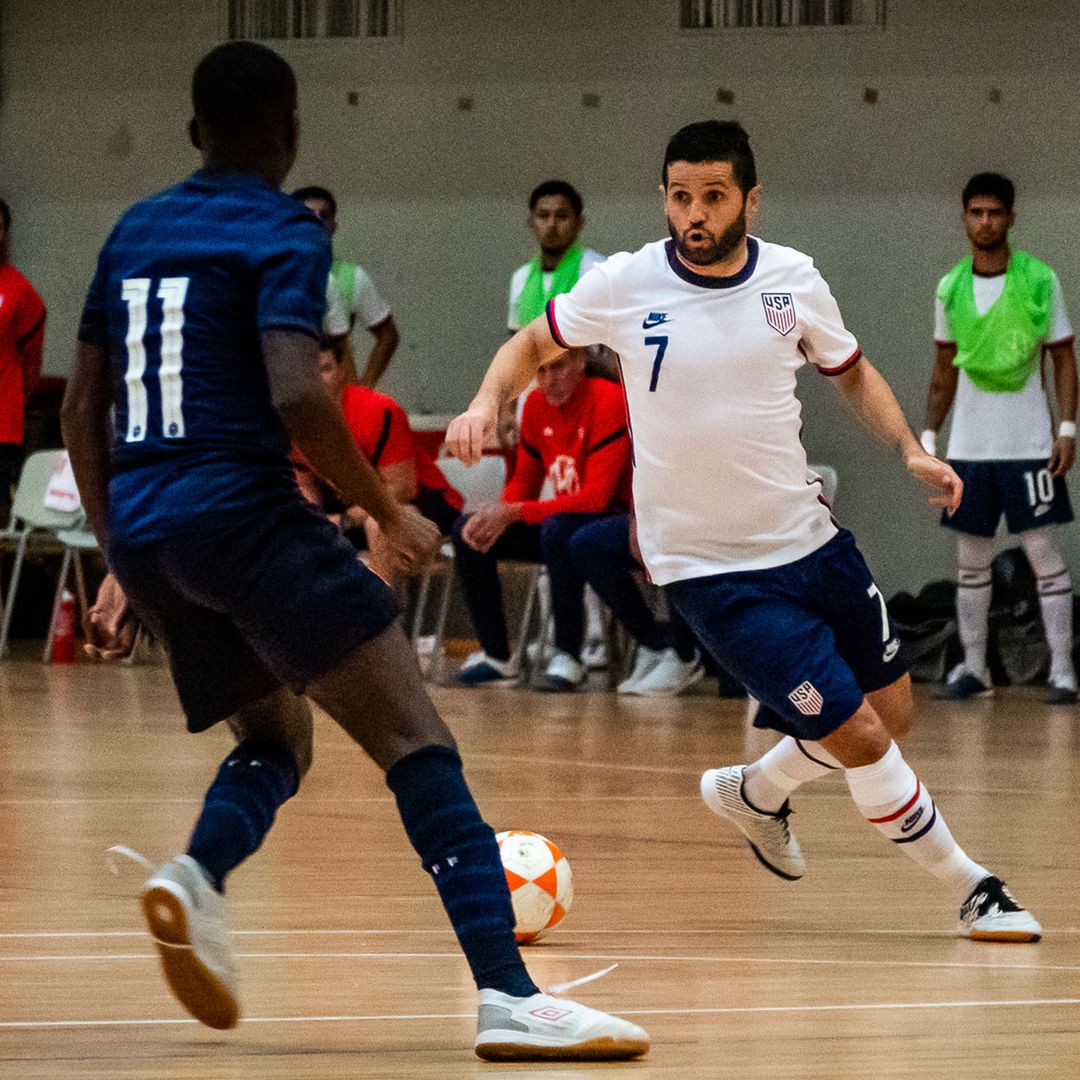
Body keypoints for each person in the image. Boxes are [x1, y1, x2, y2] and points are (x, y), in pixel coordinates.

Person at [60, 41, 647, 1061]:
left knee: (275, 741)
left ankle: (195, 877)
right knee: (416, 740)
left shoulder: (132, 230)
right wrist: (386, 511)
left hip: (152, 532)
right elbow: (298, 389)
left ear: (194, 132)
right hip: (248, 520)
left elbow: (80, 411)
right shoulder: (285, 229)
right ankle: (511, 997)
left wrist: (124, 558)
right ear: (293, 130)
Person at [449, 119, 1041, 943]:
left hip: (811, 541)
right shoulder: (626, 283)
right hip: (709, 571)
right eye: (680, 196)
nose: (694, 213)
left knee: (892, 710)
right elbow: (532, 341)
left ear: (751, 201)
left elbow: (852, 372)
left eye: (714, 196)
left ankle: (756, 791)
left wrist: (910, 448)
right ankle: (973, 888)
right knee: (861, 736)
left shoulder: (793, 281)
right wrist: (487, 401)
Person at [922, 172, 1078, 705]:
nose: (985, 222)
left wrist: (1066, 428)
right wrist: (928, 438)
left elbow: (1063, 357)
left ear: (1011, 217)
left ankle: (1063, 672)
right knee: (971, 560)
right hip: (969, 446)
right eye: (976, 212)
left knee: (1043, 554)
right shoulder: (950, 288)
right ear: (964, 217)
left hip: (1029, 441)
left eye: (994, 213)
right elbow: (943, 369)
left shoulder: (1040, 280)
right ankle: (974, 670)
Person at [452, 347, 631, 691]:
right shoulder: (535, 404)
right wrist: (498, 516)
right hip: (564, 521)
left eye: (558, 367)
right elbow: (525, 481)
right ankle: (497, 656)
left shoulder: (608, 398)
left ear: (580, 362)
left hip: (610, 520)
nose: (549, 380)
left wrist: (514, 512)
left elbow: (596, 498)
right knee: (469, 532)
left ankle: (568, 654)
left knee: (557, 531)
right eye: (541, 371)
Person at [295, 340, 463, 585]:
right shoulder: (295, 421)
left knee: (380, 525)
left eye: (325, 369)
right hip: (354, 509)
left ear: (341, 372)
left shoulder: (377, 410)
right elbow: (306, 484)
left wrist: (345, 519)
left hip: (424, 500)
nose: (317, 380)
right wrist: (315, 520)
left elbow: (402, 489)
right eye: (308, 372)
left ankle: (382, 607)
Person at [567, 513, 704, 696]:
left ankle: (685, 653)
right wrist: (638, 518)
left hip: (701, 517)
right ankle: (655, 644)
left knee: (673, 538)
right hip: (660, 513)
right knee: (586, 544)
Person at [291, 185, 400, 388]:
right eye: (307, 216)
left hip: (330, 387)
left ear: (334, 225)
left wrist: (362, 390)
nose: (317, 222)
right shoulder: (274, 273)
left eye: (324, 216)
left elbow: (386, 335)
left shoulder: (349, 278)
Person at [0, 198, 47, 526]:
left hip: (3, 420)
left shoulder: (17, 289)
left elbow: (32, 359)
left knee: (3, 512)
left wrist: (16, 397)